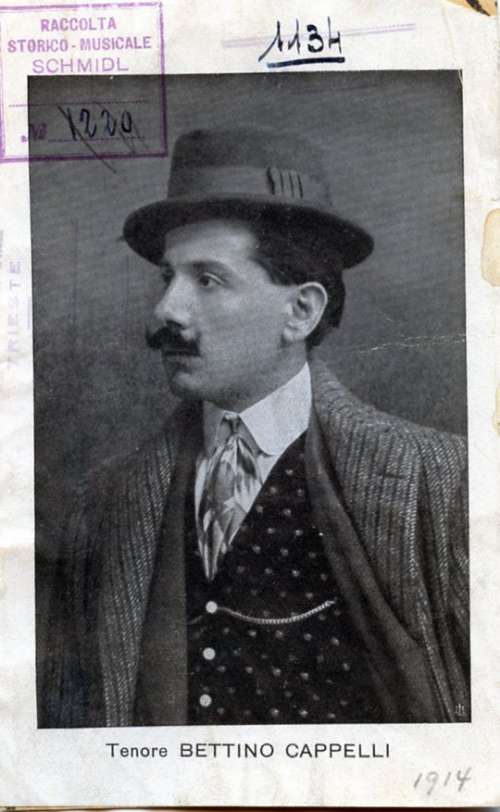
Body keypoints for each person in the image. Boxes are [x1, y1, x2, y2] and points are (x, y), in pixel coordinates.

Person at [41, 127, 469, 728]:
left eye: (207, 280)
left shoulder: (444, 485)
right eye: (168, 278)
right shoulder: (103, 506)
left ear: (301, 311)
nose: (166, 310)